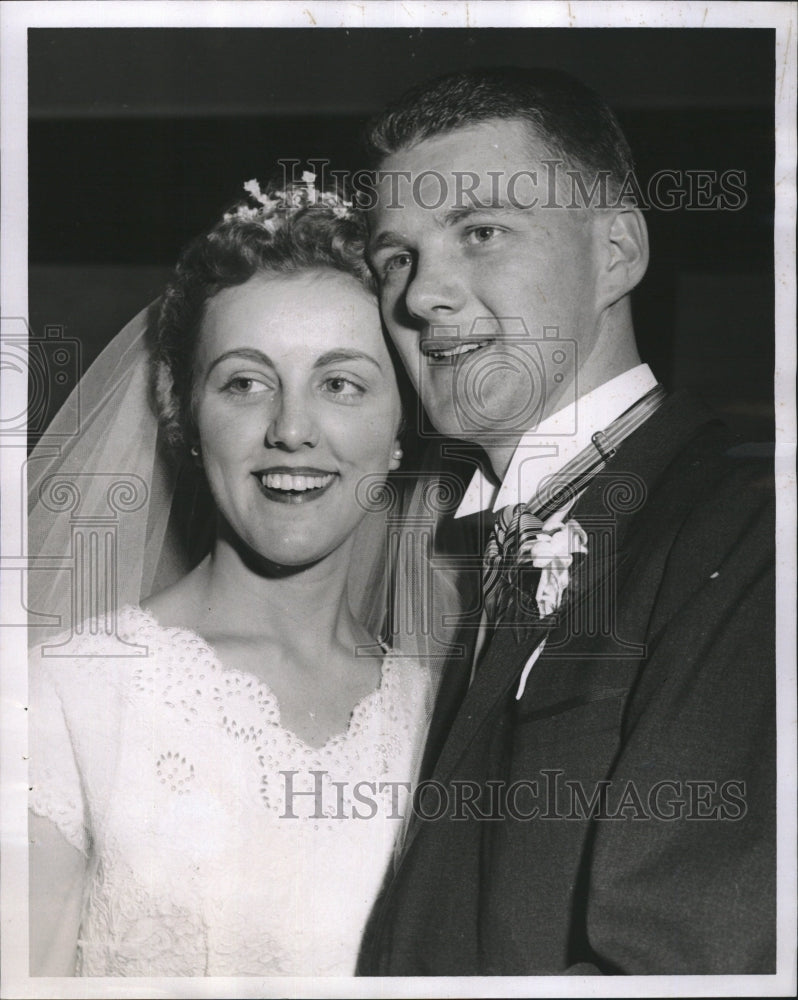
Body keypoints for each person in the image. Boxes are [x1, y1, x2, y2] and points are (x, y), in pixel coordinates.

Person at [356, 68, 776, 975]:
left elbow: (686, 957)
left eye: (482, 232)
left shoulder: (751, 527)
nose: (422, 295)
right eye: (397, 257)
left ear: (618, 251)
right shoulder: (493, 550)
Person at [27, 182, 435, 977]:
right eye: (245, 382)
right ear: (182, 413)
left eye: (341, 382)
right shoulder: (72, 694)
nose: (290, 428)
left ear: (398, 430)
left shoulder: (439, 710)